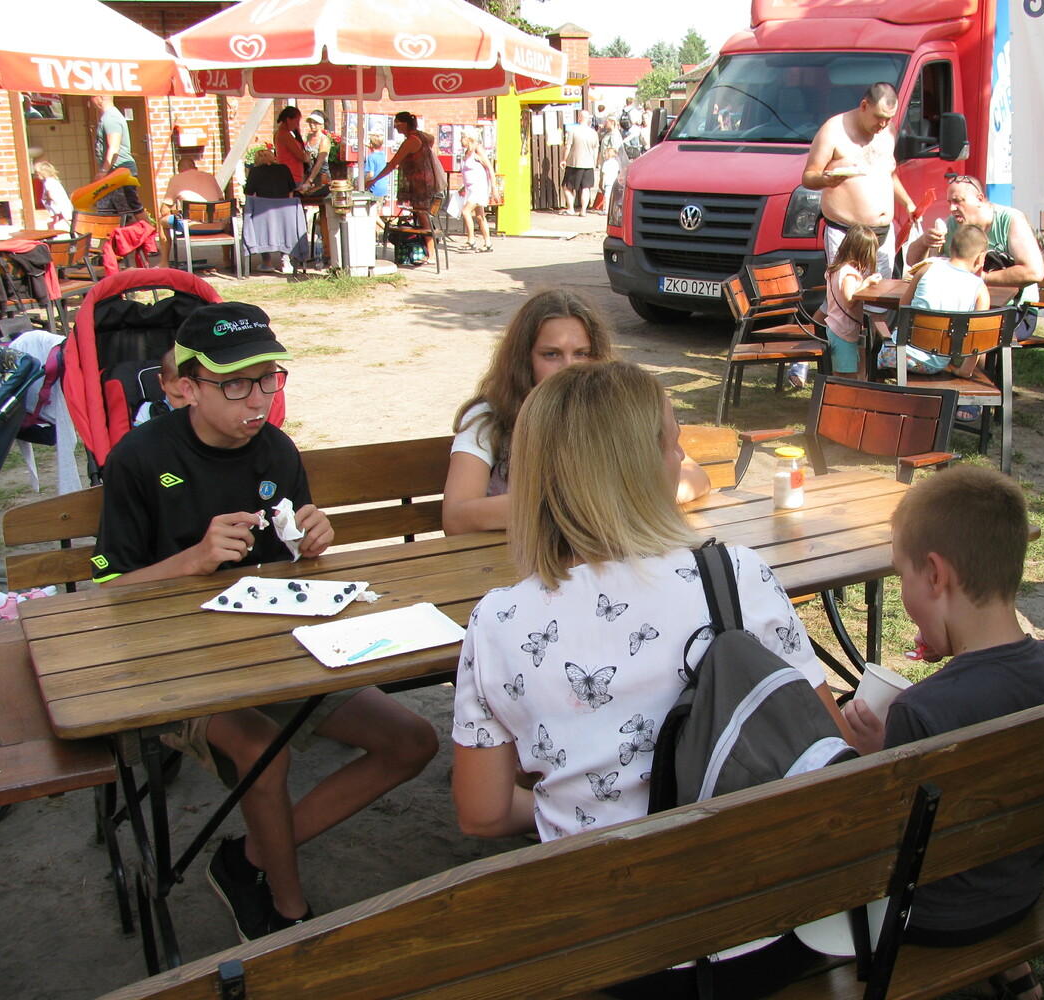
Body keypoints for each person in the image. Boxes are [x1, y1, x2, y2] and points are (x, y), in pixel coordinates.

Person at [90, 301, 438, 940]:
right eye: (235, 384)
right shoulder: (139, 458)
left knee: (413, 741)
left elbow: (290, 568)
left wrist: (312, 539)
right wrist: (194, 561)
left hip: (277, 651)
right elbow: (108, 593)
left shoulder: (275, 449)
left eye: (268, 379)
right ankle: (289, 914)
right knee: (262, 754)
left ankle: (247, 857)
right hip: (174, 666)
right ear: (187, 387)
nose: (257, 399)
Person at [451, 355, 853, 840]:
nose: (680, 458)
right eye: (673, 443)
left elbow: (482, 813)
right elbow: (828, 744)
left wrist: (569, 809)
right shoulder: (736, 577)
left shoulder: (497, 621)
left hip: (594, 880)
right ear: (643, 466)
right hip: (736, 862)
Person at [844, 466, 1044, 1000]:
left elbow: (883, 846)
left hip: (929, 919)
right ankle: (1014, 971)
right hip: (1020, 896)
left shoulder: (921, 711)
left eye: (901, 575)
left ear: (935, 574)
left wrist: (875, 761)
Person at [443, 289, 708, 536]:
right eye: (551, 354)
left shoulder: (614, 408)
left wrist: (617, 504)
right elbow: (456, 517)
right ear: (523, 360)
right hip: (509, 556)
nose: (569, 367)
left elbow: (695, 477)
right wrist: (587, 506)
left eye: (581, 354)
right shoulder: (489, 417)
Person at [905, 174, 1044, 334]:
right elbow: (913, 262)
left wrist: (980, 278)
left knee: (968, 337)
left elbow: (1034, 272)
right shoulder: (951, 224)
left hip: (1013, 310)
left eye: (958, 201)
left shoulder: (1011, 221)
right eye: (950, 202)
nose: (952, 208)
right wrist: (924, 241)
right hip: (962, 308)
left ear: (979, 199)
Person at [802, 82, 916, 276]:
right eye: (878, 117)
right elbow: (808, 176)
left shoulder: (889, 132)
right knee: (845, 292)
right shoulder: (833, 130)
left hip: (882, 234)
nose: (883, 124)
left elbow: (889, 172)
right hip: (845, 233)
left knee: (882, 293)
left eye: (888, 118)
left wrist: (908, 203)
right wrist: (825, 180)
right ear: (864, 106)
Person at [880, 222, 993, 388]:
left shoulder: (926, 269)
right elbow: (977, 338)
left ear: (950, 248)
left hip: (894, 355)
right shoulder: (980, 289)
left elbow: (904, 307)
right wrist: (965, 371)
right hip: (932, 364)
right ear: (981, 257)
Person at [821, 222, 882, 378]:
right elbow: (849, 299)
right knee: (845, 375)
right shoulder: (849, 274)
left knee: (843, 372)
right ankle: (840, 394)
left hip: (836, 327)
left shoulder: (836, 269)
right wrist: (866, 283)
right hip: (843, 331)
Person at [369, 112, 446, 212]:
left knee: (421, 212)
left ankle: (425, 223)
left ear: (405, 124)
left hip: (420, 182)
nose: (395, 127)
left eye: (396, 124)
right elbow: (431, 138)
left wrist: (374, 180)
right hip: (424, 180)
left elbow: (393, 164)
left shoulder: (411, 141)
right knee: (420, 211)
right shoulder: (420, 136)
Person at [88, 94, 145, 221]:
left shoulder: (111, 118)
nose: (90, 100)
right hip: (114, 171)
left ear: (100, 97)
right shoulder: (108, 117)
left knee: (131, 209)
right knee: (113, 211)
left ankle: (148, 231)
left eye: (91, 96)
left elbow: (114, 147)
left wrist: (104, 171)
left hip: (120, 170)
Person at [158, 155, 226, 261]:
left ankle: (164, 262)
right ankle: (227, 260)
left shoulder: (176, 179)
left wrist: (175, 211)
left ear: (180, 170)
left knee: (162, 221)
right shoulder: (210, 177)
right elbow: (222, 203)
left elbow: (164, 211)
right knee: (227, 218)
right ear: (195, 168)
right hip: (218, 226)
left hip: (191, 227)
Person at [458, 132, 498, 253]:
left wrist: (494, 187)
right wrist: (464, 187)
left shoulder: (478, 151)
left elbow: (490, 168)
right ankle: (488, 243)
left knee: (466, 211)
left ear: (469, 138)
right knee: (480, 216)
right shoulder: (467, 152)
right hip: (470, 188)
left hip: (479, 187)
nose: (460, 140)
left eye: (462, 138)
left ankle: (471, 241)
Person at [132, 348, 189, 426]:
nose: (188, 403)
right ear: (162, 382)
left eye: (194, 395)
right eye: (178, 397)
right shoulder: (148, 411)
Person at [560, 109, 599, 216]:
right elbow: (596, 149)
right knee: (586, 188)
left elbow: (567, 147)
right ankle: (583, 211)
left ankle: (570, 209)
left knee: (567, 186)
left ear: (579, 117)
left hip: (574, 164)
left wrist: (564, 159)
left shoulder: (573, 131)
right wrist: (594, 162)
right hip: (589, 164)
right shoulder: (593, 133)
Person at [272, 107, 309, 189]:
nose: (297, 125)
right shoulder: (284, 135)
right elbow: (300, 156)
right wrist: (307, 158)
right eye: (296, 122)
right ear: (288, 120)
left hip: (290, 175)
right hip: (292, 176)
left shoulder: (281, 134)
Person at [33, 160, 72, 228]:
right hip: (62, 204)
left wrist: (46, 198)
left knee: (66, 219)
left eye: (37, 174)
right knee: (59, 219)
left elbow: (51, 195)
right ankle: (53, 228)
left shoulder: (48, 182)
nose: (36, 176)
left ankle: (75, 231)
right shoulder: (53, 180)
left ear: (43, 173)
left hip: (59, 205)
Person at [301, 109, 331, 191]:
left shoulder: (324, 140)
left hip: (321, 177)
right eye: (310, 122)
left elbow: (320, 162)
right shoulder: (309, 137)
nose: (312, 124)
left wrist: (309, 180)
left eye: (315, 122)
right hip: (309, 174)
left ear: (321, 124)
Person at [363, 133, 390, 200]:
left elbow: (371, 174)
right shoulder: (382, 155)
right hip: (383, 187)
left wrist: (365, 182)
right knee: (380, 205)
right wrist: (371, 146)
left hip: (375, 188)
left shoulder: (371, 157)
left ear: (371, 144)